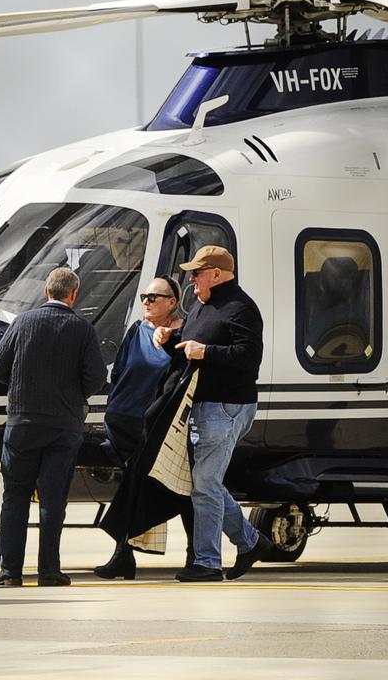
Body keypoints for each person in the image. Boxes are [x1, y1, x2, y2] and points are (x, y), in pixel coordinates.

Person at [153, 245, 272, 582]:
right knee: (206, 484)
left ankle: (207, 562)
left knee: (205, 484)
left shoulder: (241, 307)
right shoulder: (202, 308)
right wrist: (170, 338)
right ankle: (250, 542)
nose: (191, 279)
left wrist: (206, 351)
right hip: (205, 406)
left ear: (218, 274)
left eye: (197, 272)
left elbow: (249, 357)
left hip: (227, 406)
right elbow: (189, 348)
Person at [0, 267, 106, 587]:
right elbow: (97, 376)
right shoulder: (83, 329)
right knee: (53, 501)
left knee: (15, 497)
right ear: (73, 295)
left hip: (23, 422)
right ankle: (49, 571)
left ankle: (10, 572)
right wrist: (74, 392)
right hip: (63, 425)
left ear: (46, 292)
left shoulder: (22, 323)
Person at [94, 275, 187, 580]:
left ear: (172, 302)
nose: (146, 302)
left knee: (177, 490)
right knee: (132, 486)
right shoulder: (136, 330)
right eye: (144, 297)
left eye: (153, 297)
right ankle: (124, 556)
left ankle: (197, 554)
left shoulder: (182, 334)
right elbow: (120, 369)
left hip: (156, 425)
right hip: (123, 421)